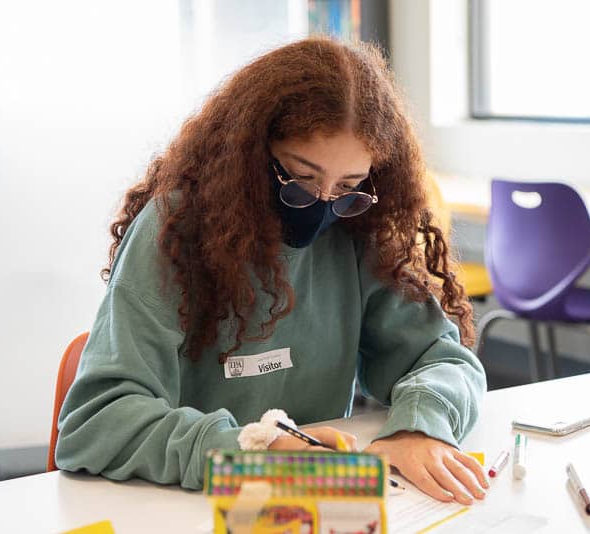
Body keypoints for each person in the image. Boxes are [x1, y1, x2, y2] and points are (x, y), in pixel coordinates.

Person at [55, 37, 488, 505]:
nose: (323, 203)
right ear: (247, 154)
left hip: (308, 501)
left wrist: (420, 424)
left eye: (347, 186)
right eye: (300, 178)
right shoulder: (173, 231)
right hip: (184, 503)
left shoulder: (357, 227)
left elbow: (444, 360)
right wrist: (248, 451)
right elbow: (96, 422)